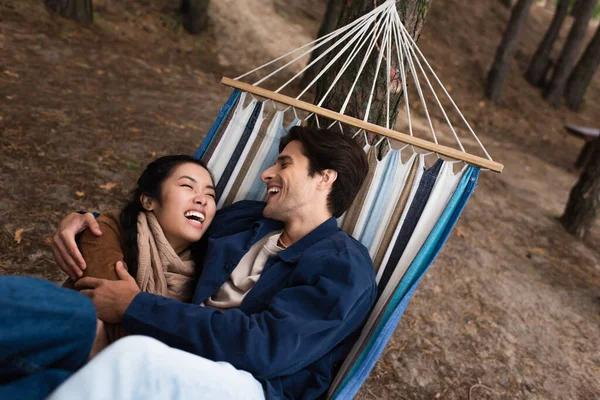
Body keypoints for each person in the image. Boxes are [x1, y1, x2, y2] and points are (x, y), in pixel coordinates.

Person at [51, 126, 377, 400]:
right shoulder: (245, 220)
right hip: (182, 355)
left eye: (283, 165)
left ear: (324, 178)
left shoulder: (344, 266)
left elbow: (263, 349)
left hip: (254, 384)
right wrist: (90, 223)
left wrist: (135, 306)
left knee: (131, 358)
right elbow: (169, 229)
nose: (266, 174)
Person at [0, 155, 217, 399]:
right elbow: (103, 315)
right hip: (56, 347)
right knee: (83, 318)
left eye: (210, 195)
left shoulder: (204, 276)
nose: (202, 199)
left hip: (99, 383)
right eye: (187, 186)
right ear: (148, 200)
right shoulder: (105, 229)